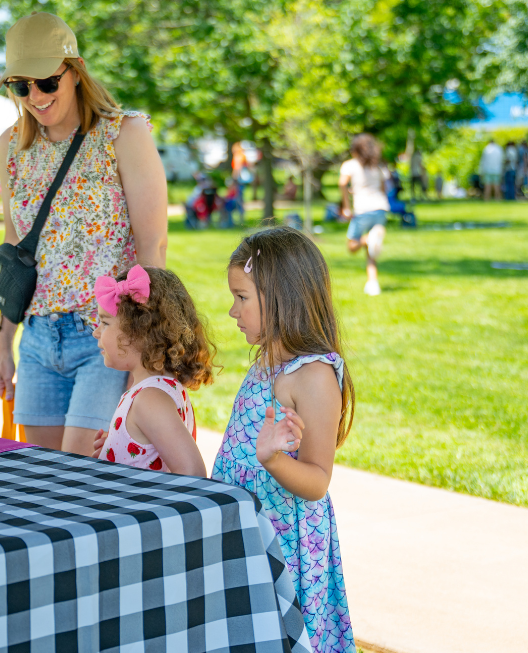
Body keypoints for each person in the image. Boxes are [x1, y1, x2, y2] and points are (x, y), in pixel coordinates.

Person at [0, 12, 168, 456]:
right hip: (36, 339)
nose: (35, 96)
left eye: (47, 82)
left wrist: (140, 354)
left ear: (75, 71)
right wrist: (3, 346)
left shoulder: (123, 134)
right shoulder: (10, 146)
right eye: (20, 85)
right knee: (46, 482)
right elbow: (14, 251)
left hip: (105, 335)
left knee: (82, 475)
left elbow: (152, 248)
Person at [213, 227, 356, 652]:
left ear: (280, 298)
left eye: (242, 298)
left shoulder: (313, 377)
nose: (232, 310)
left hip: (285, 547)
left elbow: (317, 481)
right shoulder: (266, 363)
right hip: (248, 533)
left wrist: (274, 461)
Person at [88, 265, 214, 476]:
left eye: (104, 322)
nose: (96, 332)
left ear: (138, 332)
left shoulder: (150, 400)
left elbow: (193, 473)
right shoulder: (156, 390)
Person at [339, 133, 389, 296]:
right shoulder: (377, 167)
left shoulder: (350, 165)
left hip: (363, 209)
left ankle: (368, 238)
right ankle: (373, 283)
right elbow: (382, 189)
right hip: (381, 208)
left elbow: (342, 183)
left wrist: (346, 206)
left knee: (352, 246)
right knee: (371, 250)